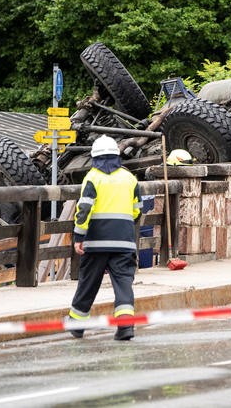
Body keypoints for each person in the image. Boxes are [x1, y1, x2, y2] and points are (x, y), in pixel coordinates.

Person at [67, 135, 143, 341]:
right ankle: (126, 327)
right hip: (124, 242)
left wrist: (78, 236)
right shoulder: (129, 178)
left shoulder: (92, 177)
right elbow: (138, 210)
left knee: (88, 283)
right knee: (123, 284)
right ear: (117, 156)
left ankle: (76, 325)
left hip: (95, 243)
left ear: (94, 157)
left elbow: (83, 210)